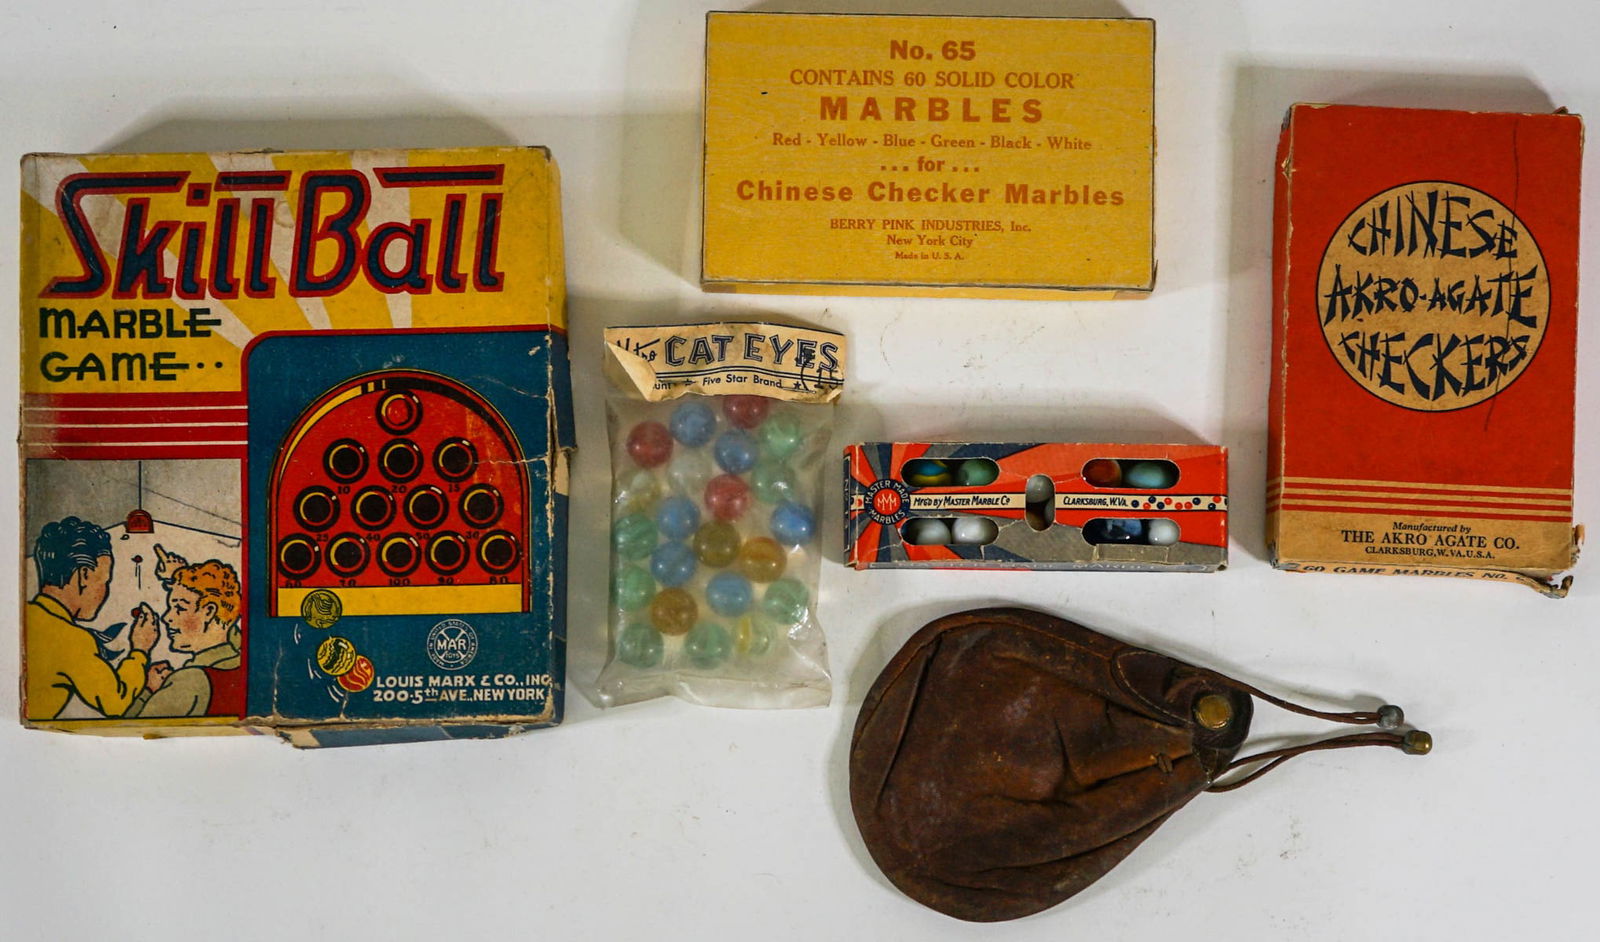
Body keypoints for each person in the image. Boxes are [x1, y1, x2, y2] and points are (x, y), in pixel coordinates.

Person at [24, 516, 156, 720]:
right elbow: (115, 702)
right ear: (84, 575)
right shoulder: (72, 640)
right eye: (104, 581)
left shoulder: (26, 614)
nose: (105, 591)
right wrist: (140, 650)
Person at [128, 549, 244, 719]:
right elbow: (227, 623)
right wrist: (181, 576)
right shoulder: (242, 663)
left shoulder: (189, 680)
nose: (167, 617)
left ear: (209, 611)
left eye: (179, 608)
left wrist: (148, 690)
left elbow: (130, 728)